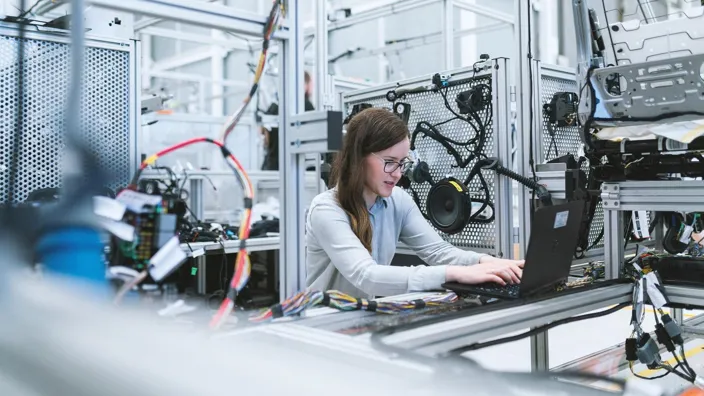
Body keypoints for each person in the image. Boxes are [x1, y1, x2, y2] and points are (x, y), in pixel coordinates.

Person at [305, 107, 525, 298]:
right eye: (390, 162)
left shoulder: (397, 200)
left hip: (362, 318)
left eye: (402, 163)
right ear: (358, 157)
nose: (398, 174)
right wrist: (455, 274)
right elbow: (367, 276)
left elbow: (439, 252)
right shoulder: (327, 209)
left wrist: (489, 263)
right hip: (325, 324)